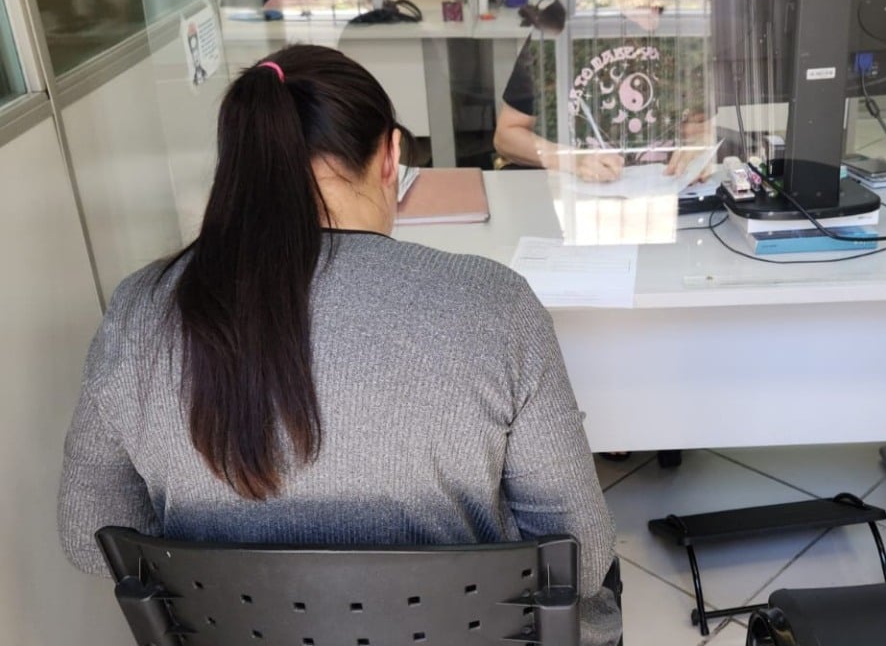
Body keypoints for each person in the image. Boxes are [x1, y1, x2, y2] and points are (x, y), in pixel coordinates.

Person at [56, 44, 622, 646]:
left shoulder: (139, 309)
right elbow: (581, 559)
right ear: (392, 157)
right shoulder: (494, 303)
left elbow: (89, 534)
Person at [494, 0, 715, 183]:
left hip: (661, 192)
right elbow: (507, 134)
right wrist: (571, 159)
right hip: (577, 197)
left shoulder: (689, 24)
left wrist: (701, 145)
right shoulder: (572, 21)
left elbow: (699, 125)